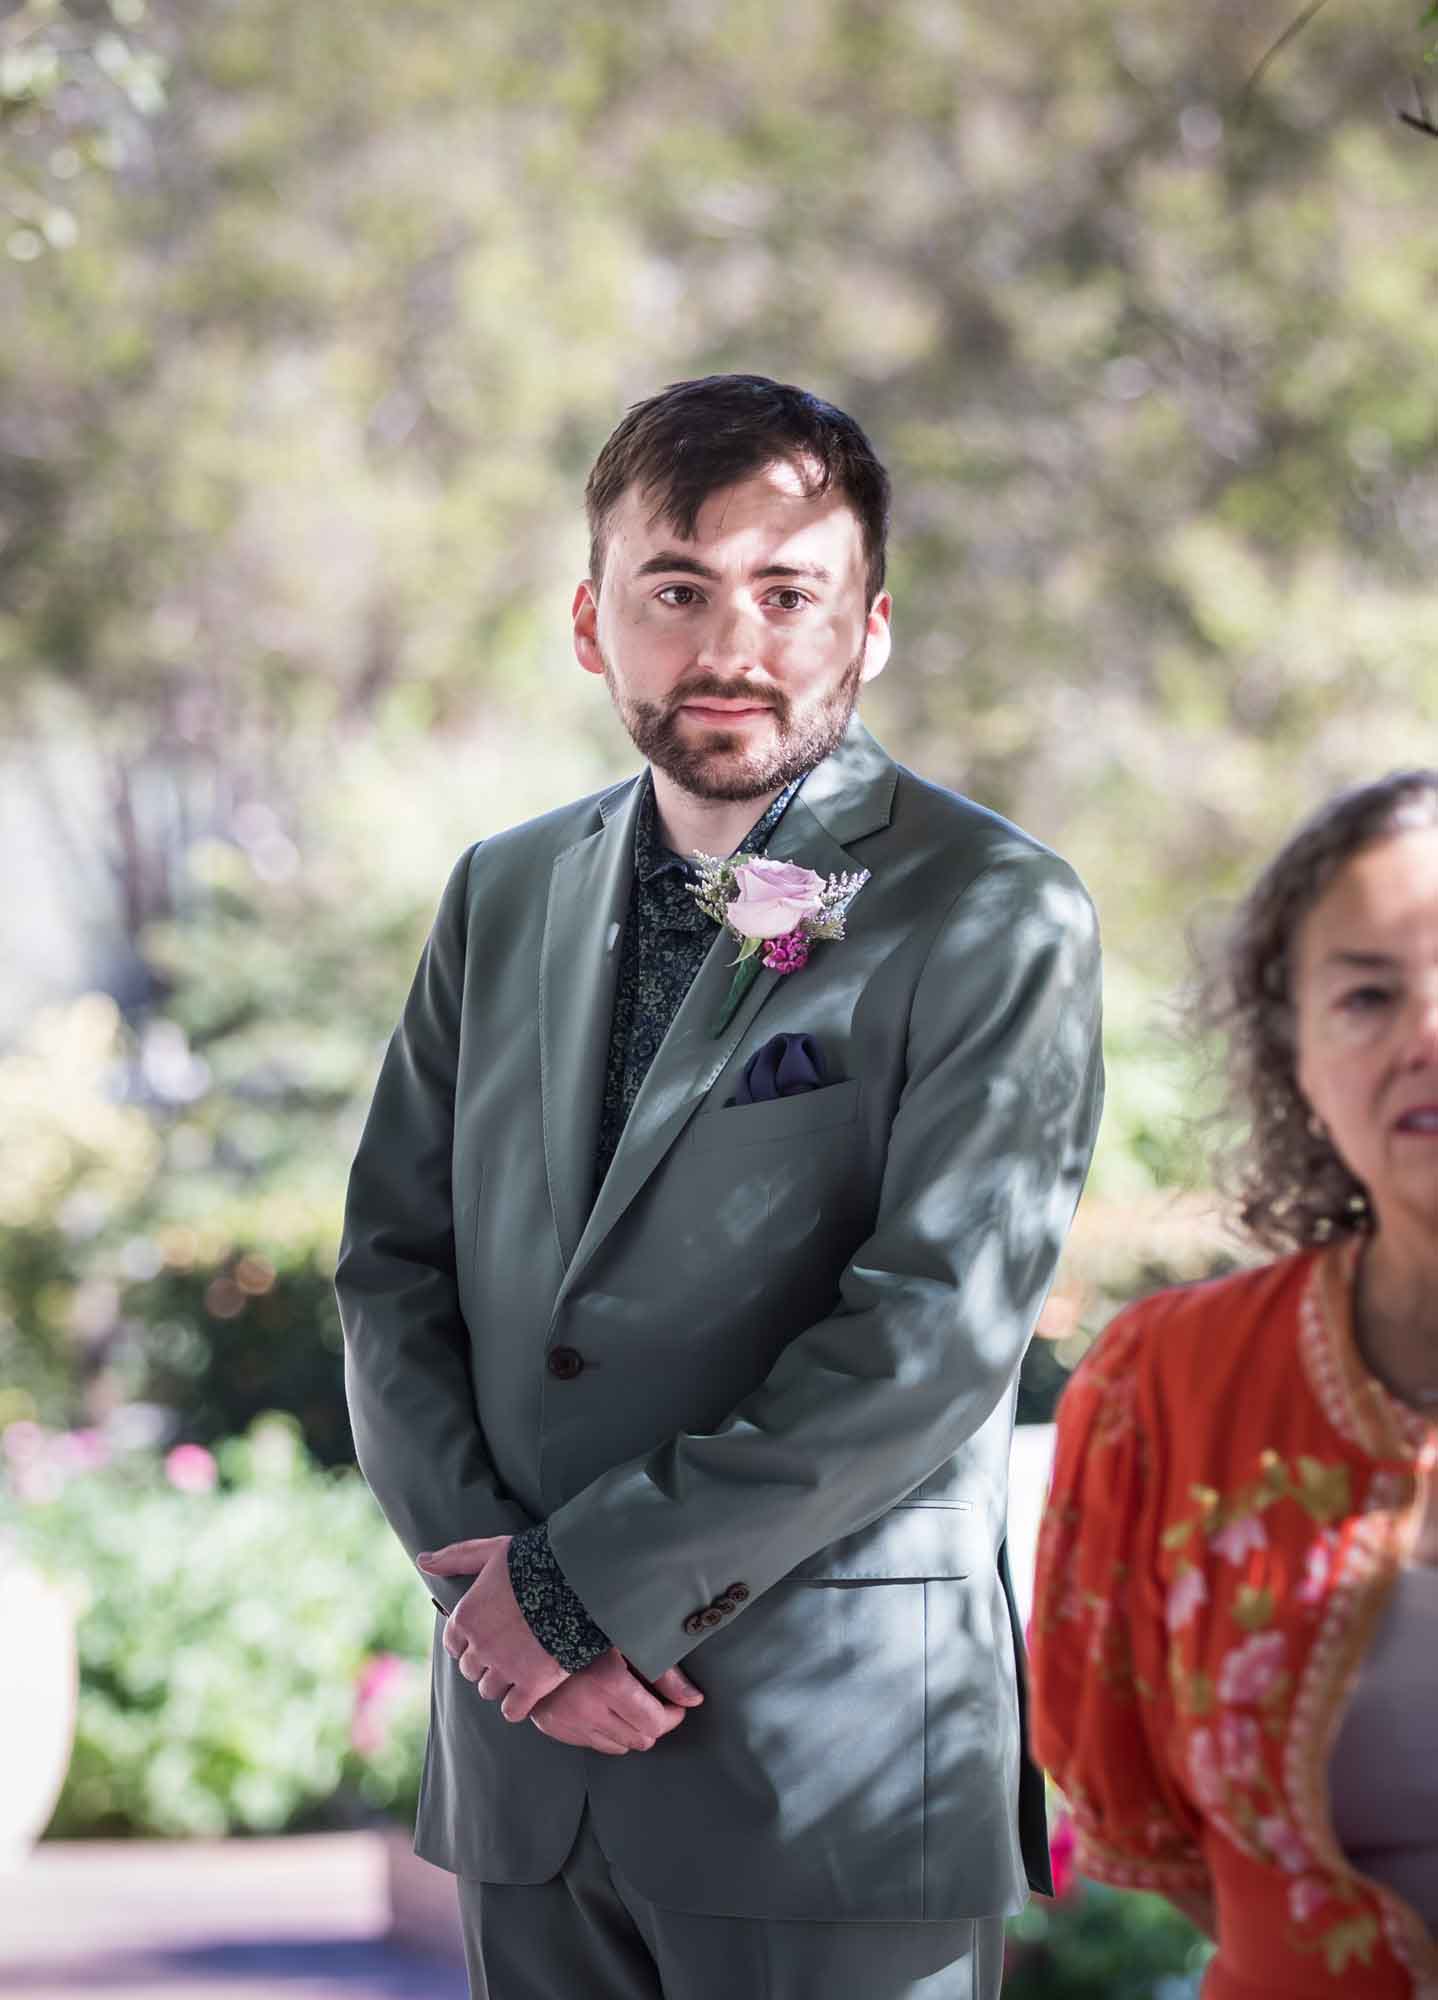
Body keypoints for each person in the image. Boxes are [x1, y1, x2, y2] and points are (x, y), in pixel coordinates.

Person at [336, 372, 1104, 2000]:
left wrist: (581, 1593)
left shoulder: (995, 911)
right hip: (527, 1766)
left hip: (830, 1775)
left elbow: (928, 1339)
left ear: (871, 626)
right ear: (588, 621)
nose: (729, 647)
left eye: (785, 592)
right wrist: (499, 1600)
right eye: (674, 591)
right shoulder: (501, 890)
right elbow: (391, 1264)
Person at [1029, 772, 1438, 2000]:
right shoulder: (1165, 1388)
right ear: (1294, 1053)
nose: (1428, 1033)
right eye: (1369, 993)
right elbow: (1147, 1826)